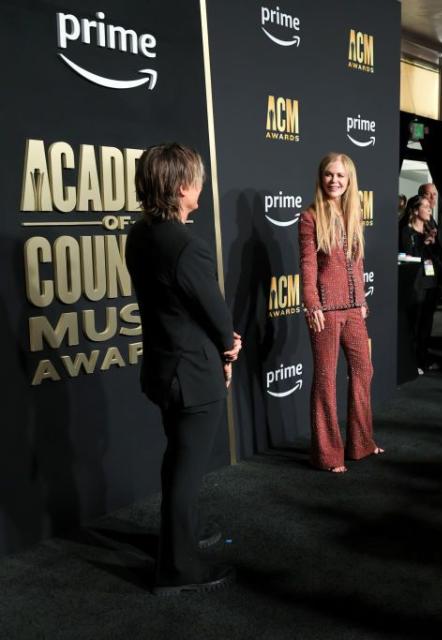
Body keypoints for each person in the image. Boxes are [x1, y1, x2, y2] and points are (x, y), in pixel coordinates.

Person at [126, 143, 241, 594]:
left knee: (178, 459)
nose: (201, 185)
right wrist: (229, 345)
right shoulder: (186, 245)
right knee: (185, 470)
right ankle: (175, 567)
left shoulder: (141, 233)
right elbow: (215, 313)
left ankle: (181, 535)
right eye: (195, 177)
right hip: (192, 374)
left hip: (164, 368)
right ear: (179, 187)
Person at [299, 152, 381, 473]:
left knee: (364, 370)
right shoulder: (310, 216)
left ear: (350, 181)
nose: (334, 180)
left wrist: (361, 299)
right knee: (325, 380)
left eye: (341, 176)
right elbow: (307, 265)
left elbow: (357, 265)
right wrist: (312, 303)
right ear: (321, 178)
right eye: (329, 175)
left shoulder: (352, 215)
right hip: (326, 311)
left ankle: (361, 443)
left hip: (353, 309)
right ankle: (328, 455)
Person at [399, 195, 440, 372]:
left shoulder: (430, 228)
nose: (430, 208)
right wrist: (424, 243)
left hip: (430, 280)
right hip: (415, 283)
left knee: (426, 323)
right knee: (413, 323)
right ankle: (411, 362)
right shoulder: (406, 231)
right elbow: (411, 256)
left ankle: (423, 359)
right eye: (425, 206)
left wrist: (432, 243)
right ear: (415, 210)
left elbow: (436, 256)